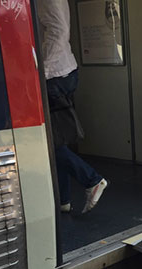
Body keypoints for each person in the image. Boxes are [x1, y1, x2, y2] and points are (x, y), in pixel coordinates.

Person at [37, 0, 107, 213]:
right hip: (62, 72)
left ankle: (92, 180)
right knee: (58, 139)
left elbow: (59, 31)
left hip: (55, 75)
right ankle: (63, 200)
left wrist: (41, 73)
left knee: (51, 144)